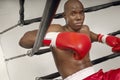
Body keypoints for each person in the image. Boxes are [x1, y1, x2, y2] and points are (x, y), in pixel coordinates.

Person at [19, 0, 120, 80]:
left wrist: (105, 38)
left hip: (98, 76)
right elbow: (24, 41)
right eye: (73, 14)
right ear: (65, 16)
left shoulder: (84, 29)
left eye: (81, 13)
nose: (79, 17)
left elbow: (95, 36)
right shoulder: (57, 30)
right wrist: (57, 38)